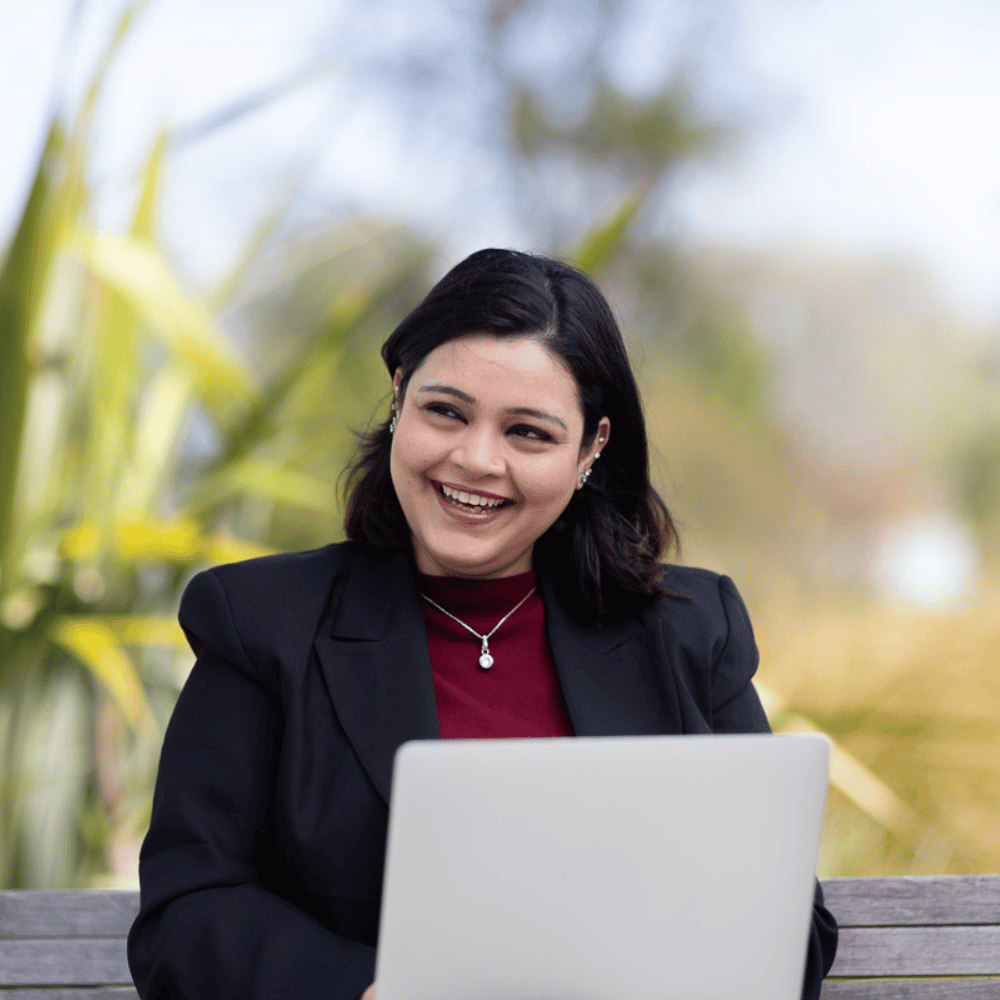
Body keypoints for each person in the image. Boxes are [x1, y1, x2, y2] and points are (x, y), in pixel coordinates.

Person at [127, 248, 838, 1000]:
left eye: (528, 432)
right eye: (446, 411)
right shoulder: (259, 624)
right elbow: (187, 914)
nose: (475, 460)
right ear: (399, 397)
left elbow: (792, 933)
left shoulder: (692, 633)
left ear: (591, 449)